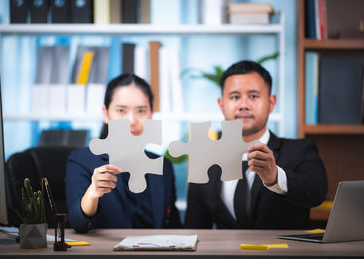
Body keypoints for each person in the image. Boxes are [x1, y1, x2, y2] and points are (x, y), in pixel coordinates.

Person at [184, 60, 327, 229]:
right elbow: (194, 229)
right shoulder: (205, 161)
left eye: (253, 96)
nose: (244, 105)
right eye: (235, 97)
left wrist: (275, 177)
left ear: (271, 103)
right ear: (222, 105)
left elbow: (316, 193)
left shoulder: (300, 151)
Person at [65, 73, 181, 232]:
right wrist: (93, 193)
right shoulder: (82, 160)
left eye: (141, 111)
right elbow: (77, 222)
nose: (132, 121)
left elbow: (173, 226)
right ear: (106, 114)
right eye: (121, 110)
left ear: (152, 114)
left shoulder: (163, 166)